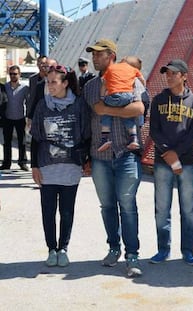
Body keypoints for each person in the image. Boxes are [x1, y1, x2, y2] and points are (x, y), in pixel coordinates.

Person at [83, 38, 145, 278]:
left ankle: (132, 255)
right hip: (100, 156)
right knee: (107, 206)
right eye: (93, 54)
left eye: (98, 54)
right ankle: (113, 248)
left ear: (111, 56)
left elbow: (139, 109)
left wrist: (107, 110)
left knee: (127, 206)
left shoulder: (130, 78)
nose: (94, 58)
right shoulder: (89, 87)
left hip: (126, 154)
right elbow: (87, 121)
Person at [30, 65, 91, 267]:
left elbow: (86, 134)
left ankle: (63, 248)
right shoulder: (42, 105)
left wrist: (86, 160)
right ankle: (51, 249)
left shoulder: (79, 105)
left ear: (65, 83)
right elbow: (36, 138)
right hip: (47, 167)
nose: (50, 86)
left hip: (70, 167)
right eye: (48, 82)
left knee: (66, 211)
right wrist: (34, 166)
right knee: (48, 211)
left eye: (54, 82)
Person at [149, 59, 193, 266]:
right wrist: (166, 152)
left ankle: (188, 251)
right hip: (162, 161)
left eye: (173, 73)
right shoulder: (159, 100)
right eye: (167, 73)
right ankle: (163, 249)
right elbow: (154, 130)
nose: (169, 77)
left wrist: (176, 154)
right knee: (162, 208)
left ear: (184, 76)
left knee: (188, 208)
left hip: (186, 162)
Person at [98, 55, 145, 152]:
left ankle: (104, 139)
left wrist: (102, 98)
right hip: (127, 96)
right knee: (128, 117)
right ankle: (134, 138)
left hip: (112, 97)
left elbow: (104, 83)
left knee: (106, 115)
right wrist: (143, 88)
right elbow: (142, 80)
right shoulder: (134, 72)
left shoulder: (112, 68)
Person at [0, 66, 30, 171]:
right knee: (6, 141)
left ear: (19, 74)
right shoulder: (5, 87)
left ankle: (22, 162)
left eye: (15, 74)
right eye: (11, 74)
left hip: (20, 118)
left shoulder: (25, 88)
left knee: (22, 142)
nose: (13, 76)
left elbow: (28, 102)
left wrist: (28, 118)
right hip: (7, 118)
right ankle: (6, 163)